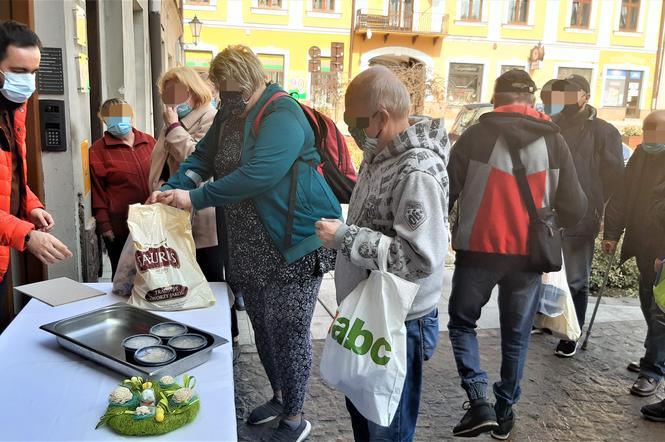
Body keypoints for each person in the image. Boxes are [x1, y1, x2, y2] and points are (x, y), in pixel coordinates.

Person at [148, 45, 342, 442]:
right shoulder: (230, 114)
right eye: (218, 86)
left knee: (289, 329)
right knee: (263, 326)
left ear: (247, 77)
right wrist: (174, 186)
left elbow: (260, 173)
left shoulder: (282, 113)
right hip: (248, 244)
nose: (221, 93)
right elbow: (201, 158)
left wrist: (196, 198)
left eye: (226, 85)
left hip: (293, 240)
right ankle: (279, 394)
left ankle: (295, 415)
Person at [447, 70, 587, 439]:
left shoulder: (475, 136)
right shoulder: (555, 141)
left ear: (495, 100)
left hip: (478, 250)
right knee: (516, 333)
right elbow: (576, 206)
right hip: (529, 256)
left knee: (463, 323)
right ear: (532, 101)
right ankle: (505, 410)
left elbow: (444, 189)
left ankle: (478, 401)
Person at [315, 65, 449, 442]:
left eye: (354, 123)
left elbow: (419, 260)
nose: (352, 133)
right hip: (371, 312)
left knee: (385, 429)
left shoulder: (417, 170)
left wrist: (346, 238)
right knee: (366, 417)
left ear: (380, 118)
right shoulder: (380, 155)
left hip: (399, 322)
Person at [149, 66, 240, 360]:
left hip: (201, 215)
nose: (171, 99)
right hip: (172, 211)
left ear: (192, 89)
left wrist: (175, 128)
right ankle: (193, 331)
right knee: (184, 275)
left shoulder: (209, 118)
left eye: (176, 91)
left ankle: (227, 334)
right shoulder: (173, 121)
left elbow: (198, 160)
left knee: (211, 276)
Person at [546, 75, 624, 358]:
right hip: (550, 212)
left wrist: (598, 207)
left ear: (585, 96)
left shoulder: (604, 132)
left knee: (577, 278)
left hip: (583, 215)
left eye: (572, 92)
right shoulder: (552, 125)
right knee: (545, 270)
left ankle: (572, 332)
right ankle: (547, 320)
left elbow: (615, 177)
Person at [0, 20, 71, 311]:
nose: (27, 81)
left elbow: (11, 174)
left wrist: (31, 206)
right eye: (18, 71)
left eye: (33, 72)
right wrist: (26, 235)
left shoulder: (15, 107)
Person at [603, 110, 665, 398]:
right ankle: (654, 356)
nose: (651, 138)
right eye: (647, 131)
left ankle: (652, 369)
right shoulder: (641, 155)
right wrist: (612, 234)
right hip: (642, 243)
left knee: (660, 311)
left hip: (661, 249)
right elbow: (623, 194)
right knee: (646, 299)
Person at [90, 98, 156, 278]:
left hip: (152, 223)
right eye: (112, 117)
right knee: (123, 278)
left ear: (131, 115)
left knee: (153, 274)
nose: (119, 120)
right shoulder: (97, 150)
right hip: (120, 228)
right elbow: (98, 192)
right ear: (103, 120)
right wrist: (105, 227)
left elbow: (163, 174)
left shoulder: (149, 142)